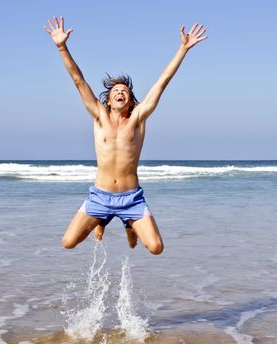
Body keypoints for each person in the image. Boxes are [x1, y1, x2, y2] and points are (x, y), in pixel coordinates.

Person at [44, 16, 208, 255]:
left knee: (156, 247)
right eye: (116, 91)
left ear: (131, 101)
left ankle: (129, 224)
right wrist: (61, 47)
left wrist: (183, 48)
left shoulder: (137, 120)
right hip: (100, 196)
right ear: (108, 100)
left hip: (131, 198)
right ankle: (101, 220)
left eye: (125, 92)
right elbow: (78, 81)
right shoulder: (99, 116)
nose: (120, 93)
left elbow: (162, 83)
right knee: (68, 242)